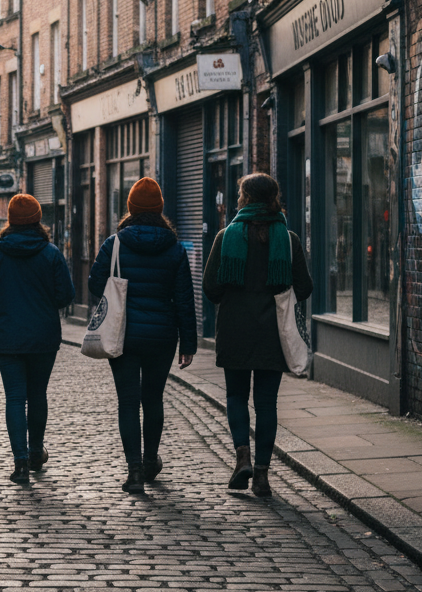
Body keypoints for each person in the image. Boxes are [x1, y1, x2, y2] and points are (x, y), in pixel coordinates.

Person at [203, 172, 312, 497]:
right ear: (274, 198)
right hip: (272, 334)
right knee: (266, 404)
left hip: (235, 330)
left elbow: (210, 288)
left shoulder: (226, 236)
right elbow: (305, 289)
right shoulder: (288, 239)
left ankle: (242, 458)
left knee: (236, 397)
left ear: (244, 198)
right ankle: (262, 475)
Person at [89, 178, 197, 493]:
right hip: (162, 335)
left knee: (127, 401)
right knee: (153, 399)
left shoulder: (115, 244)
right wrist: (188, 343)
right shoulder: (175, 248)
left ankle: (134, 471)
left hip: (122, 334)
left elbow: (95, 284)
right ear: (160, 208)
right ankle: (151, 461)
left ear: (131, 208)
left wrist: (118, 288)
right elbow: (184, 299)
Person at [0, 193, 75, 485]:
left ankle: (20, 464)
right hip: (43, 337)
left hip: (7, 338)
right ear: (38, 220)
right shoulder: (51, 253)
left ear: (10, 221)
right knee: (37, 394)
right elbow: (66, 296)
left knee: (15, 397)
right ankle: (36, 451)